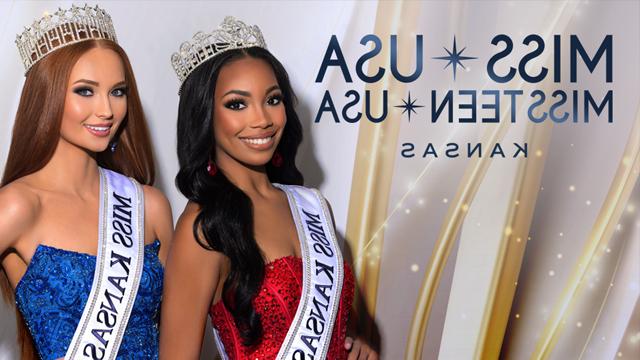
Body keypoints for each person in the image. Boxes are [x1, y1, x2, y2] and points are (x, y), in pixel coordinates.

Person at [160, 17, 377, 359]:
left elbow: (327, 326)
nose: (262, 119)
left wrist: (353, 345)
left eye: (273, 99)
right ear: (205, 116)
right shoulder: (203, 229)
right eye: (237, 104)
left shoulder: (312, 206)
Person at [0, 5, 172, 359]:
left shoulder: (148, 205)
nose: (107, 110)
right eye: (85, 91)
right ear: (46, 95)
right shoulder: (18, 205)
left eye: (118, 91)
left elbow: (180, 335)